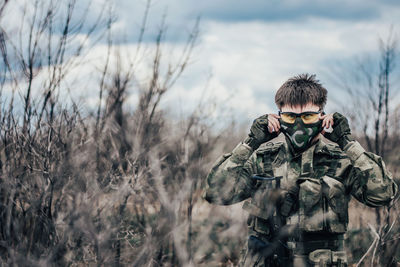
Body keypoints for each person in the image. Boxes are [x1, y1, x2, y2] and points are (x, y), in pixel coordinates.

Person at [203, 74, 398, 267]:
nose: (299, 124)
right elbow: (216, 193)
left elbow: (383, 195)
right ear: (278, 117)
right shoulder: (261, 160)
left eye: (308, 116)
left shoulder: (342, 161)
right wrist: (250, 143)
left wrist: (347, 142)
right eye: (289, 116)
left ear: (322, 116)